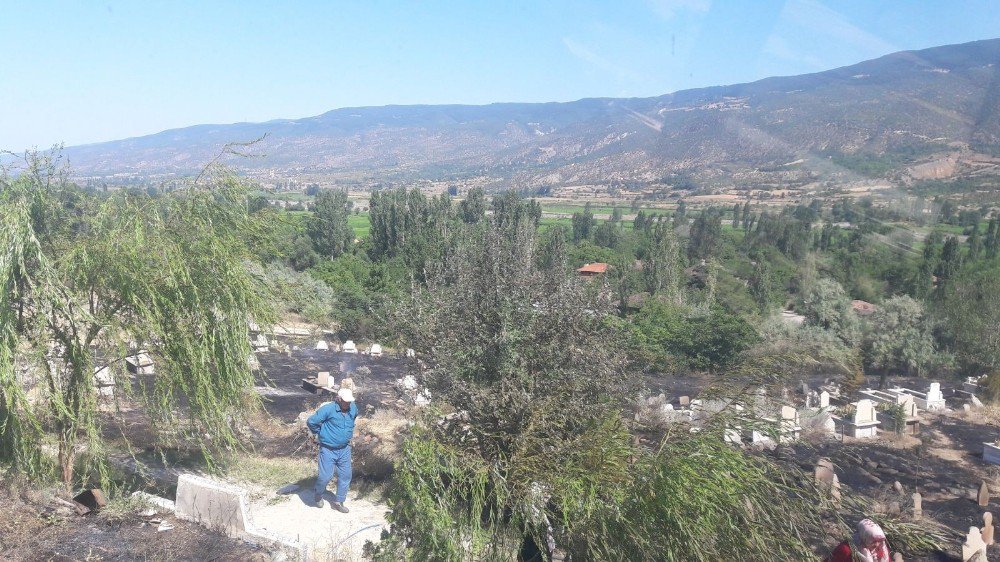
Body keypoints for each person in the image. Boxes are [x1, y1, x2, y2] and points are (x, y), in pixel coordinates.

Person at [307, 387, 358, 513]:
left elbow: (353, 419)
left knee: (346, 476)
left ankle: (338, 501)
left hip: (345, 449)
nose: (348, 403)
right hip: (328, 449)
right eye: (345, 401)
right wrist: (321, 433)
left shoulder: (353, 408)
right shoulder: (328, 409)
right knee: (325, 476)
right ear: (338, 399)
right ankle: (318, 494)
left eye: (349, 401)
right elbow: (311, 421)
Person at [826, 518, 891, 562]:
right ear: (864, 537)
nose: (877, 544)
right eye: (873, 541)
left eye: (880, 540)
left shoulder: (882, 549)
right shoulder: (846, 550)